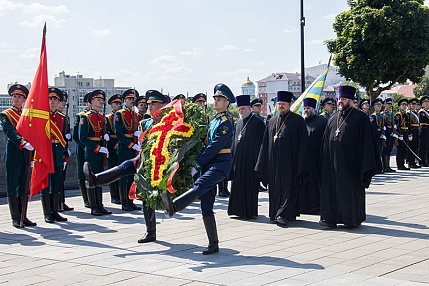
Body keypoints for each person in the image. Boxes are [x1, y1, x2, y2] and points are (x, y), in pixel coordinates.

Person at [162, 83, 235, 255]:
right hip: (210, 164)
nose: (216, 101)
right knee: (206, 206)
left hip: (220, 164)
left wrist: (197, 164)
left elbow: (214, 147)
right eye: (215, 98)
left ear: (227, 104)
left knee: (200, 184)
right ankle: (213, 243)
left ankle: (174, 207)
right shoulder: (213, 121)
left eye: (220, 99)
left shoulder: (226, 123)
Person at [319, 86, 381, 228]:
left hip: (351, 165)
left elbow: (367, 143)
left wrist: (365, 167)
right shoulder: (332, 118)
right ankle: (330, 218)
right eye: (339, 99)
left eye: (344, 99)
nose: (340, 101)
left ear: (351, 100)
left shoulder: (360, 118)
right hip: (332, 164)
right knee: (331, 191)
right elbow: (325, 143)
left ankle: (351, 219)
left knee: (349, 192)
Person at [254, 91, 310, 225]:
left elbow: (303, 144)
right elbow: (265, 144)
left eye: (284, 104)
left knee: (288, 189)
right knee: (275, 190)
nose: (281, 106)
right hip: (273, 165)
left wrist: (302, 164)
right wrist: (261, 164)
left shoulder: (298, 121)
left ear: (290, 104)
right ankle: (276, 213)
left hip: (290, 163)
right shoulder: (272, 121)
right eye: (279, 104)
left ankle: (283, 214)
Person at [0, 84, 37, 228]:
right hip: (14, 154)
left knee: (23, 186)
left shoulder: (27, 115)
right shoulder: (6, 114)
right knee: (12, 186)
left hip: (26, 155)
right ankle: (15, 217)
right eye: (14, 96)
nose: (16, 98)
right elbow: (10, 132)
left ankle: (23, 215)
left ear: (24, 99)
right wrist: (22, 143)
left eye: (19, 96)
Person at [228, 94, 265, 219]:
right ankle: (237, 210)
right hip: (238, 162)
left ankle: (249, 212)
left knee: (249, 187)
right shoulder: (238, 123)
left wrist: (259, 162)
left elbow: (263, 144)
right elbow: (234, 141)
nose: (241, 111)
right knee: (237, 185)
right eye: (239, 109)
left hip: (251, 161)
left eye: (243, 108)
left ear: (249, 108)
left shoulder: (258, 123)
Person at [79, 90, 112, 216]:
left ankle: (100, 204)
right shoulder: (85, 117)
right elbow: (83, 138)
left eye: (102, 100)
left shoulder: (102, 117)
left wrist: (106, 135)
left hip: (100, 151)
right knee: (92, 179)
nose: (101, 102)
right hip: (92, 152)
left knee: (99, 179)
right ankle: (93, 205)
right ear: (92, 102)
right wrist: (98, 148)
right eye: (98, 100)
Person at [40, 87, 69, 223]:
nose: (52, 101)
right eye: (50, 98)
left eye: (55, 99)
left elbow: (63, 138)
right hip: (45, 152)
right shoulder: (41, 116)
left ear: (58, 102)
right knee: (46, 183)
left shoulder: (62, 117)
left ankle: (55, 211)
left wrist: (65, 156)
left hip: (57, 152)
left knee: (56, 183)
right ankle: (47, 212)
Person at [114, 89, 142, 211]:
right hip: (125, 148)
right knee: (124, 176)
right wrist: (131, 144)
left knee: (132, 175)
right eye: (129, 99)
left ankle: (130, 200)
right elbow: (119, 133)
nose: (131, 101)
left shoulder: (136, 115)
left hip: (134, 148)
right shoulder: (119, 114)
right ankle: (124, 201)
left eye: (133, 99)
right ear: (124, 100)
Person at [300, 97, 327, 215]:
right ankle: (303, 206)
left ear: (314, 109)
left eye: (308, 108)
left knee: (315, 183)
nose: (306, 110)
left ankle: (316, 206)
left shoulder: (322, 122)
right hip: (303, 159)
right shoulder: (300, 122)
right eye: (305, 108)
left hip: (317, 159)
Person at [73, 92, 92, 208]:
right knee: (82, 173)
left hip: (92, 149)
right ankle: (86, 198)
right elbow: (76, 135)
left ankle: (93, 197)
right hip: (82, 148)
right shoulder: (80, 116)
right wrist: (84, 146)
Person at [57, 91, 74, 212]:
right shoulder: (52, 116)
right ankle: (56, 204)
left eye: (64, 101)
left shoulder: (65, 117)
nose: (63, 103)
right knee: (55, 180)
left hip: (63, 150)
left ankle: (61, 202)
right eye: (62, 100)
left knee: (61, 179)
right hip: (55, 150)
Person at [106, 94, 122, 204]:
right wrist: (114, 145)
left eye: (120, 104)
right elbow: (107, 135)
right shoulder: (107, 118)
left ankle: (121, 194)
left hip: (122, 145)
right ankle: (114, 195)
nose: (118, 106)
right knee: (113, 171)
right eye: (116, 104)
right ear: (111, 105)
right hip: (112, 146)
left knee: (121, 171)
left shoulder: (122, 116)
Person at [381, 98, 398, 172]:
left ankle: (388, 165)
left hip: (391, 133)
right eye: (388, 104)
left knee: (389, 150)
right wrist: (390, 133)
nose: (390, 106)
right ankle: (384, 166)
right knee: (385, 150)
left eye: (390, 104)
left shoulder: (391, 114)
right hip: (386, 134)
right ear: (385, 105)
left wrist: (394, 131)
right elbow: (383, 126)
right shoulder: (383, 114)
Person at [395, 98, 411, 170]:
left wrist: (409, 134)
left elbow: (409, 125)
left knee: (405, 149)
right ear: (400, 106)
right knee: (400, 149)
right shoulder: (398, 115)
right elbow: (397, 125)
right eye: (403, 105)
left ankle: (403, 163)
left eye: (405, 105)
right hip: (401, 133)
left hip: (406, 132)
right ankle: (400, 164)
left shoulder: (406, 114)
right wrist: (400, 134)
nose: (404, 106)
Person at [370, 98, 386, 168]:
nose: (379, 106)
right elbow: (373, 128)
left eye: (380, 105)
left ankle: (380, 166)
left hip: (380, 134)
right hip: (376, 136)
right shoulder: (373, 116)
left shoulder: (381, 115)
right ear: (374, 106)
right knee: (376, 152)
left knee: (380, 151)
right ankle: (376, 167)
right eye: (378, 105)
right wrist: (380, 135)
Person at [408, 98, 421, 168]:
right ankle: (410, 162)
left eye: (415, 104)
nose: (414, 105)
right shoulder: (408, 113)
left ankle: (414, 161)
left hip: (416, 130)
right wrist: (409, 133)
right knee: (411, 147)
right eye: (413, 104)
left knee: (415, 146)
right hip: (412, 130)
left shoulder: (415, 113)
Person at [419, 96, 429, 167]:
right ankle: (422, 160)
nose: (427, 103)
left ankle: (427, 160)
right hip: (424, 129)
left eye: (428, 102)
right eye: (425, 102)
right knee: (423, 146)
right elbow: (424, 120)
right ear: (422, 104)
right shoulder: (422, 112)